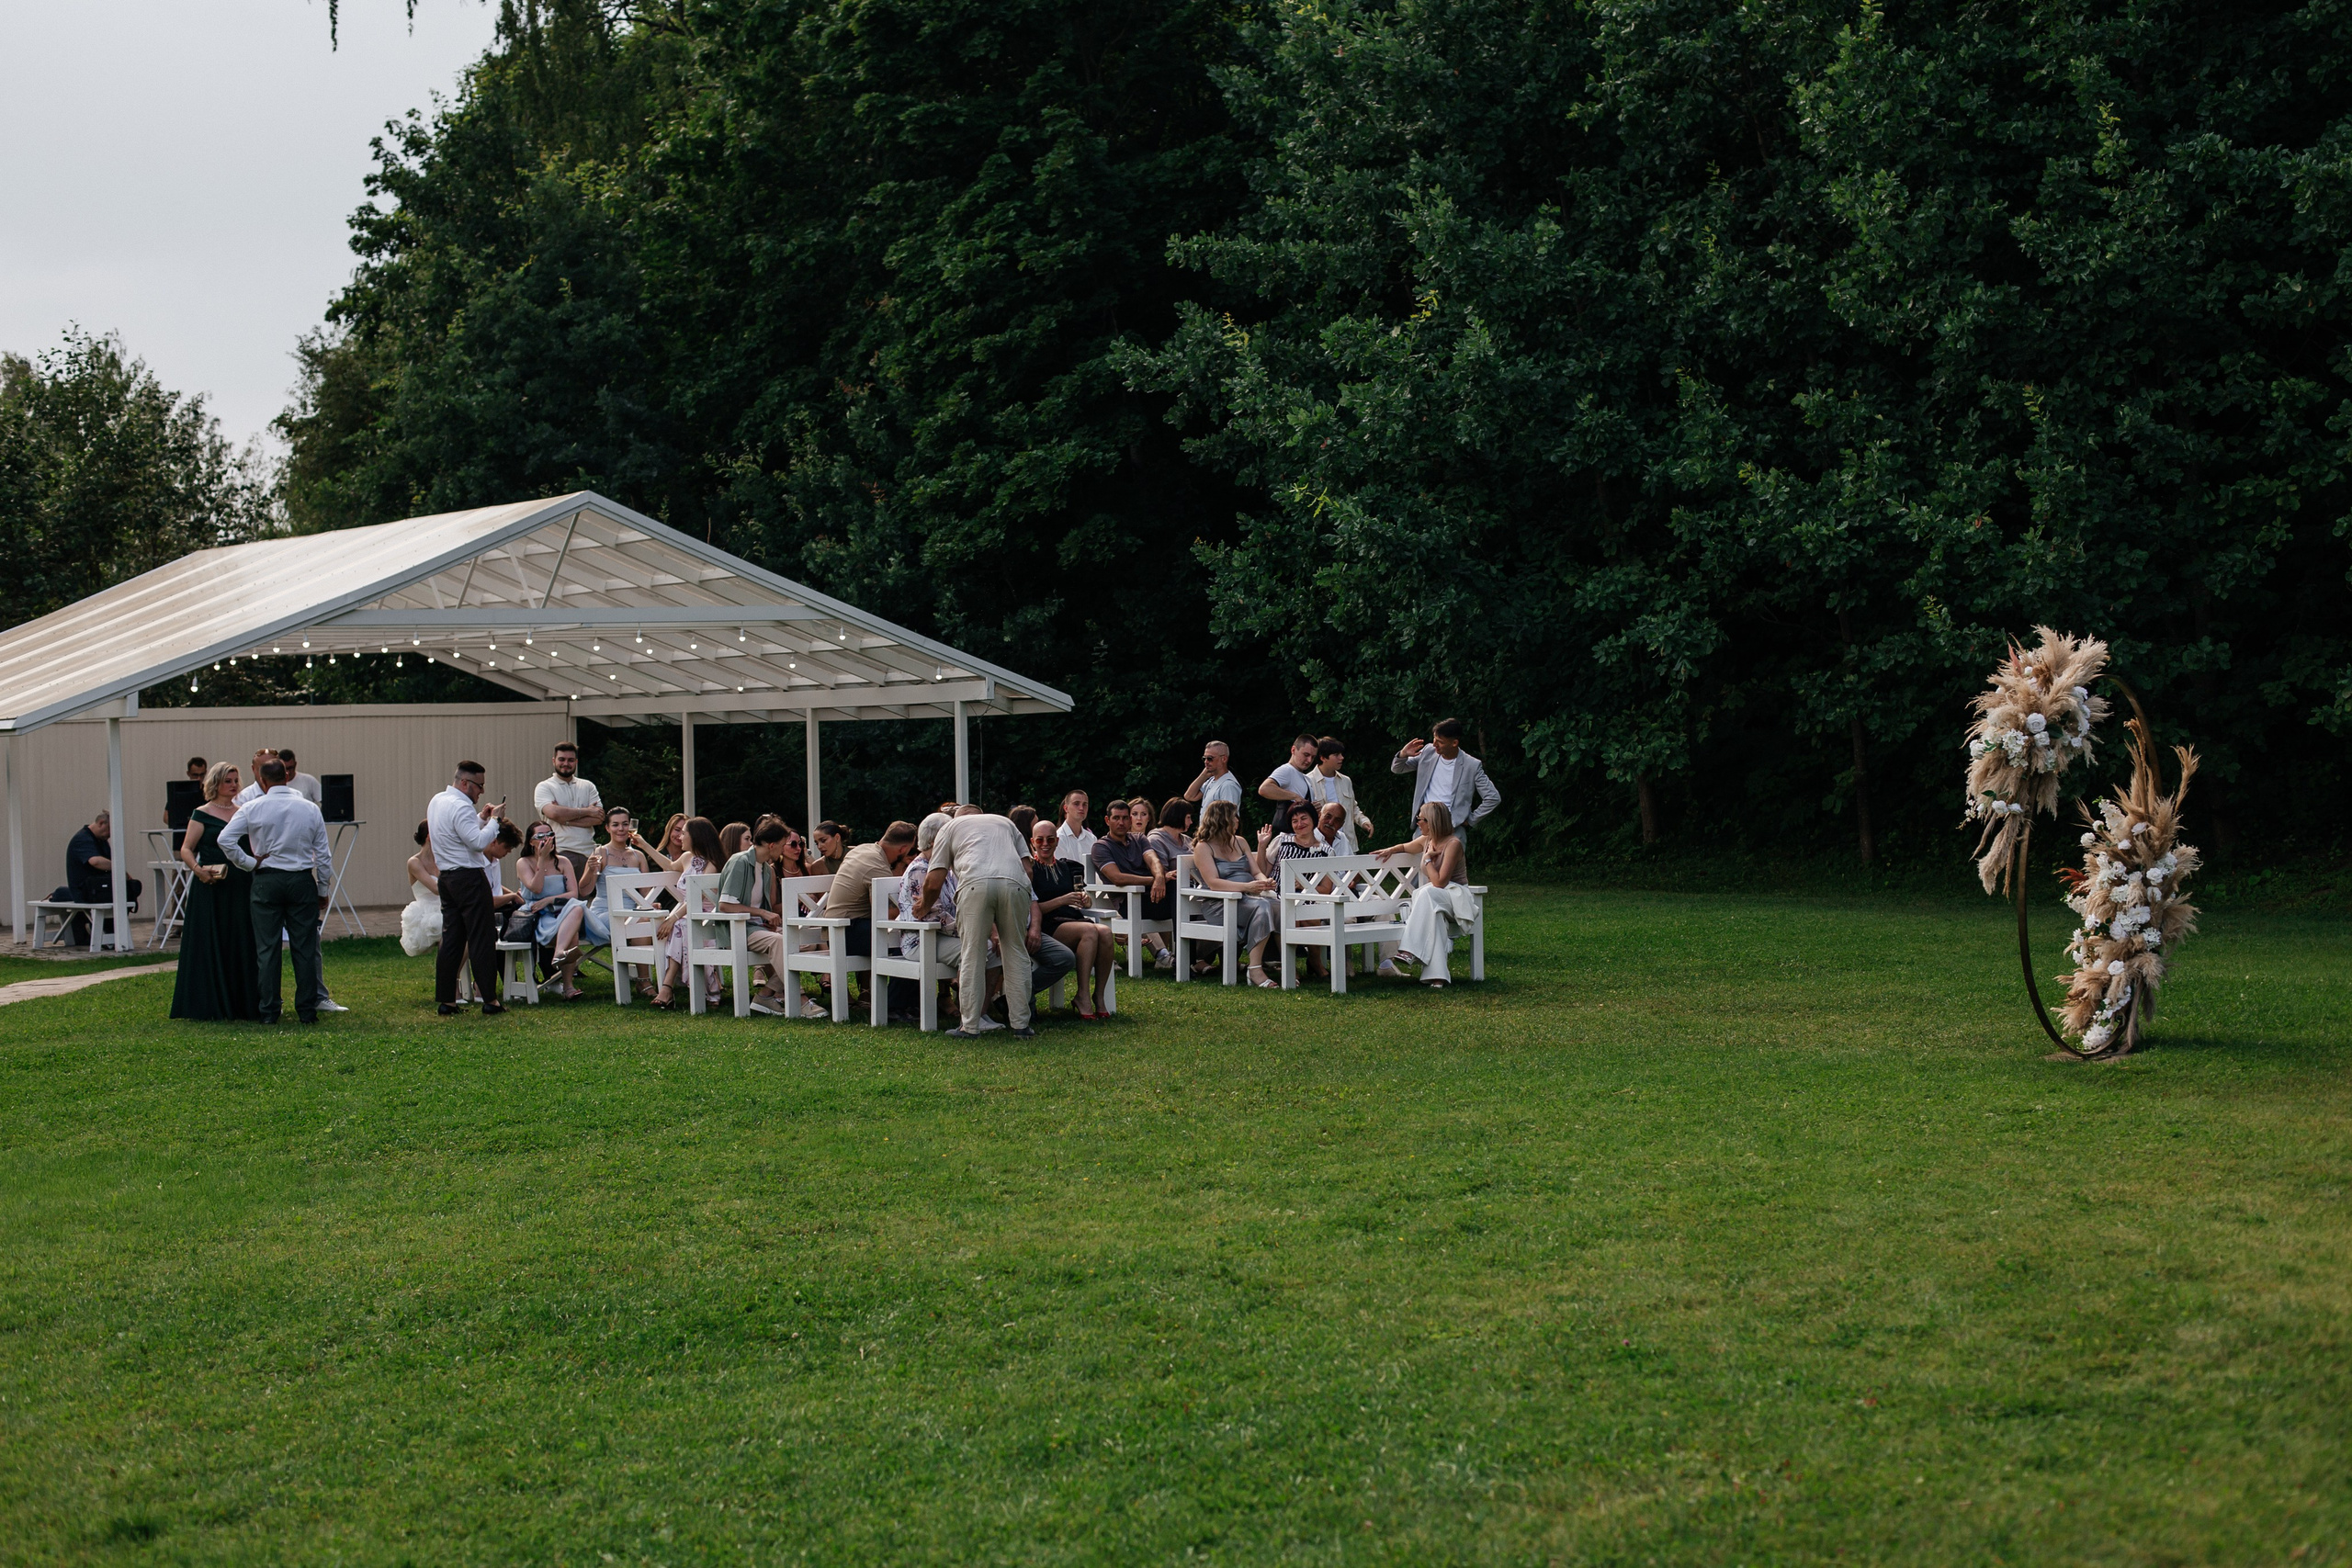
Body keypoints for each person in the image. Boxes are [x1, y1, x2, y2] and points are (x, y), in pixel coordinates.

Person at [218, 757, 334, 1024]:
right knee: (305, 948)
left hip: (267, 880)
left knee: (267, 949)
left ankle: (269, 1010)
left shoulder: (252, 807)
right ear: (287, 777)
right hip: (301, 879)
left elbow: (225, 839)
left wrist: (248, 863)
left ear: (262, 780)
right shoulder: (309, 808)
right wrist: (323, 888)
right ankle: (307, 1010)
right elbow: (323, 855)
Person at [916, 807, 1035, 1039]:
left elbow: (934, 881)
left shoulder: (949, 828)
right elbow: (1028, 869)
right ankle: (1021, 1026)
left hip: (974, 885)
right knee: (1016, 952)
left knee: (972, 953)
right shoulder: (1005, 823)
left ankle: (969, 1026)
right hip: (1015, 884)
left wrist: (923, 906)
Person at [170, 761, 256, 1021]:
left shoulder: (244, 812)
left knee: (240, 937)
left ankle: (244, 1001)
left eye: (235, 781)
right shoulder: (202, 813)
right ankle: (208, 1001)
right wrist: (198, 870)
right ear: (215, 783)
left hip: (240, 883)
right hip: (211, 882)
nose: (233, 785)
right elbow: (187, 848)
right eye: (227, 781)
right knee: (211, 937)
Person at [426, 761, 511, 1016]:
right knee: (482, 937)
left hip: (447, 878)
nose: (481, 791)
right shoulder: (461, 805)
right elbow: (476, 843)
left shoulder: (438, 801)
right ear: (464, 783)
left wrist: (481, 818)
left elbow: (458, 831)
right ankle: (489, 1000)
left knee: (452, 938)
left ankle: (447, 1000)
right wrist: (495, 821)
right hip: (469, 878)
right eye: (479, 785)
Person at [815, 820, 918, 1014]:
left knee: (908, 938)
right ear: (904, 849)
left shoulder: (863, 849)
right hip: (845, 932)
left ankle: (910, 1003)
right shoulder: (877, 865)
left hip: (840, 928)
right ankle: (894, 1006)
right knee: (910, 942)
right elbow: (886, 915)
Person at [718, 819, 811, 1017]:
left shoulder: (766, 869)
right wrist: (762, 913)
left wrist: (767, 920)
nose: (784, 849)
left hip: (759, 928)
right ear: (772, 845)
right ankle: (801, 1000)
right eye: (783, 844)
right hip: (737, 929)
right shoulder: (740, 862)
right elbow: (725, 905)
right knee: (779, 942)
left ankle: (765, 995)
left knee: (806, 942)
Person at [1378, 800, 1476, 987]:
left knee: (1426, 892)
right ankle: (1437, 977)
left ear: (1432, 822)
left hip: (1455, 897)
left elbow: (1440, 882)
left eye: (1421, 819)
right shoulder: (1427, 840)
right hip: (1434, 901)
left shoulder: (1453, 844)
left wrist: (1428, 860)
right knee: (1434, 915)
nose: (1417, 823)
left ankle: (1409, 950)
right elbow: (1406, 847)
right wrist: (1391, 849)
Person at [1191, 799, 1279, 987]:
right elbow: (1213, 883)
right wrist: (1247, 887)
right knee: (1262, 906)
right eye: (1234, 816)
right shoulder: (1203, 847)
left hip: (1249, 898)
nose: (1237, 820)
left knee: (1279, 907)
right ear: (1221, 819)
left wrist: (1264, 881)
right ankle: (1255, 970)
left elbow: (1256, 871)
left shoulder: (1240, 841)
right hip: (1220, 903)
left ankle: (1286, 966)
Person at [1033, 818, 1112, 1020]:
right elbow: (1031, 909)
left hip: (1072, 919)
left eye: (1050, 839)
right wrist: (1062, 900)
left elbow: (1085, 901)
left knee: (1105, 932)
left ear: (1057, 841)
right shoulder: (1030, 870)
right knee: (1089, 930)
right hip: (1047, 923)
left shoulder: (1067, 867)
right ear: (1033, 842)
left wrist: (1086, 900)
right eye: (1040, 840)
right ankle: (1082, 995)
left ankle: (1099, 995)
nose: (1045, 844)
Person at [652, 817, 727, 1010]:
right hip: (687, 915)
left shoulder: (713, 864)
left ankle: (667, 987)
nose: (680, 837)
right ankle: (675, 987)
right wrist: (643, 844)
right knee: (680, 926)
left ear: (696, 837)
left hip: (708, 919)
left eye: (684, 833)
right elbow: (669, 866)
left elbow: (697, 897)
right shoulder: (687, 858)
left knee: (679, 926)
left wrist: (673, 917)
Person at [1090, 799, 1171, 970]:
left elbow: (1153, 860)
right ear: (1107, 820)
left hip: (1153, 897)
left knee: (1179, 896)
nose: (1121, 822)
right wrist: (1156, 880)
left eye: (1125, 818)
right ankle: (1165, 956)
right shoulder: (1101, 847)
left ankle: (1189, 959)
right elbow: (1117, 878)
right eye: (1116, 818)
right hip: (1127, 902)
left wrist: (1159, 876)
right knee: (1170, 897)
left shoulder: (1140, 839)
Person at [1391, 718, 1500, 840]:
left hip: (1452, 829)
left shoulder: (1472, 765)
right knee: (1415, 853)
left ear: (1454, 743)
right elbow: (1398, 769)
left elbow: (1493, 797)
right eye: (1434, 739)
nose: (1434, 744)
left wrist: (1471, 820)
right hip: (1424, 826)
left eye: (1440, 742)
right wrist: (1403, 754)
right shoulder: (1428, 752)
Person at [516, 822, 585, 998]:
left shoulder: (563, 862)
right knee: (573, 935)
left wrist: (550, 900)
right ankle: (568, 987)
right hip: (538, 916)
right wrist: (541, 859)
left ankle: (559, 953)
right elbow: (536, 888)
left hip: (563, 912)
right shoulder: (524, 863)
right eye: (541, 836)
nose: (547, 839)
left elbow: (573, 894)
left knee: (577, 907)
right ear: (531, 842)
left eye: (550, 835)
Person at [61, 809, 139, 944]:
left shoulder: (101, 840)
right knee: (120, 894)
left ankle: (111, 931)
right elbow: (95, 861)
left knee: (130, 889)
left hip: (97, 888)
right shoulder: (83, 839)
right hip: (84, 891)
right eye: (109, 831)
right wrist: (119, 869)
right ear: (101, 823)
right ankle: (107, 931)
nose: (110, 835)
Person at [533, 741, 605, 877]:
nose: (566, 763)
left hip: (588, 854)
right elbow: (553, 813)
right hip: (560, 852)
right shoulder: (544, 787)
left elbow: (598, 818)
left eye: (571, 760)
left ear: (576, 762)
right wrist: (587, 811)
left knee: (588, 892)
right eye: (562, 759)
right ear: (554, 761)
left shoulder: (588, 786)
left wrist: (565, 820)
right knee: (562, 891)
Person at [1306, 737, 1373, 855]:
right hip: (1319, 846)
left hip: (1347, 845)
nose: (1342, 758)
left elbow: (1353, 808)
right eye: (1336, 755)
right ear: (1323, 757)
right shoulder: (1308, 781)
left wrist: (1364, 822)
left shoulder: (1346, 781)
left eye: (1341, 754)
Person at [401, 820, 444, 959]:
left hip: (445, 907)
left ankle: (454, 971)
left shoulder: (442, 859)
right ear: (429, 837)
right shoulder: (414, 862)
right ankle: (448, 971)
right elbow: (435, 888)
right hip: (426, 914)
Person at [1258, 733, 1320, 816]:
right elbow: (1264, 789)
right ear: (1293, 750)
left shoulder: (1307, 778)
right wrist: (1294, 796)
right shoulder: (1287, 770)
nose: (1309, 760)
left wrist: (1314, 807)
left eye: (1313, 757)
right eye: (1306, 755)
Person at [1184, 740, 1244, 813]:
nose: (1206, 762)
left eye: (1210, 758)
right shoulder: (1211, 781)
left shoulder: (1228, 785)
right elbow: (1189, 796)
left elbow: (1229, 816)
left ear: (1224, 759)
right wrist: (1203, 775)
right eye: (1204, 758)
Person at [1054, 791, 1096, 865]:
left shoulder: (1092, 838)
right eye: (1076, 804)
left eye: (1085, 804)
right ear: (1066, 808)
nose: (1081, 808)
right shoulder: (1058, 838)